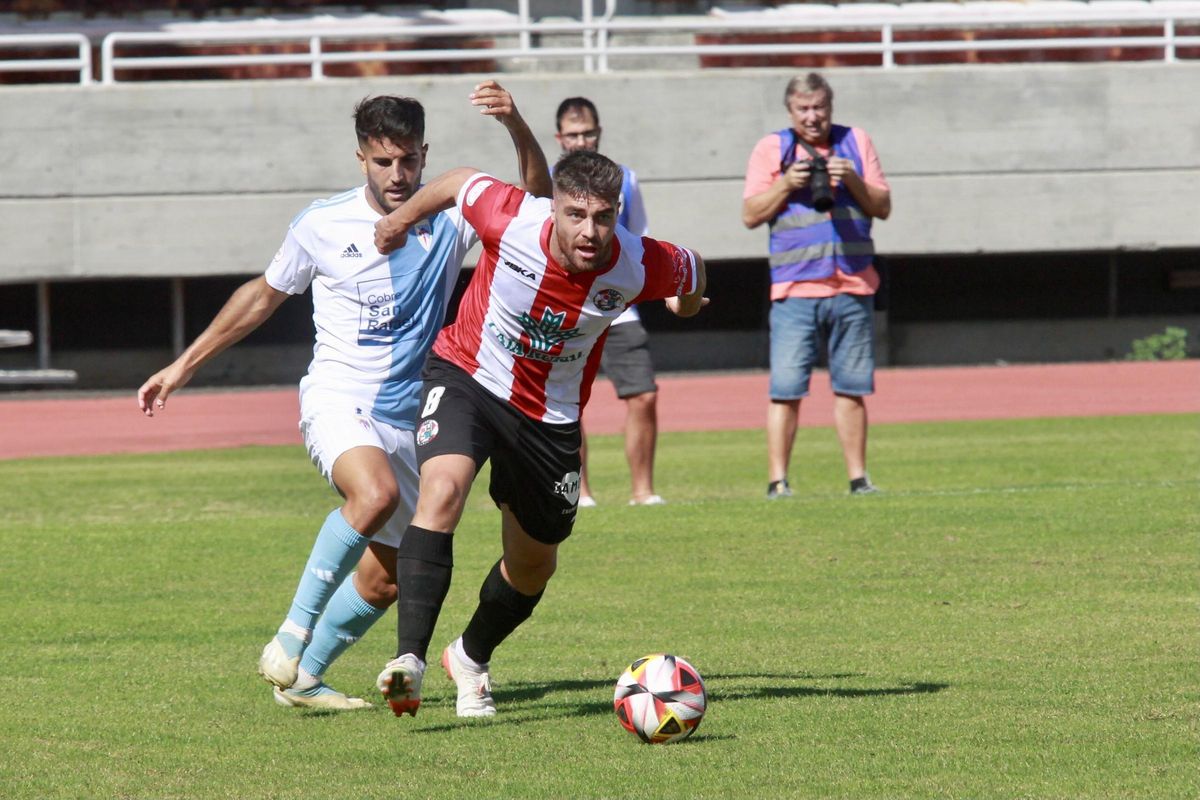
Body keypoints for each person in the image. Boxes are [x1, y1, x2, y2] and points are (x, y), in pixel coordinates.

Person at [136, 82, 550, 710]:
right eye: (384, 161)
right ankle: (290, 636)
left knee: (385, 580)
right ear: (362, 158)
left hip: (412, 414)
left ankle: (304, 680)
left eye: (409, 159)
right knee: (374, 494)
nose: (398, 173)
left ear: (425, 154)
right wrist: (183, 364)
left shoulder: (452, 214)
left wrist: (516, 125)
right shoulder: (322, 223)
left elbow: (538, 204)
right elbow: (263, 296)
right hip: (338, 396)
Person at [370, 150, 707, 718]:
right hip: (469, 377)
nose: (590, 231)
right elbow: (456, 182)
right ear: (555, 207)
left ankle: (470, 658)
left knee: (532, 566)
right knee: (443, 489)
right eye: (576, 214)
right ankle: (410, 661)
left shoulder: (638, 262)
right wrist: (398, 220)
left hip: (549, 418)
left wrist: (688, 303)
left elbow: (694, 268)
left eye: (604, 216)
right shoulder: (511, 216)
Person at [741, 72, 891, 499]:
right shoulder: (773, 148)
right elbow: (751, 214)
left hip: (853, 284)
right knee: (786, 389)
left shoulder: (856, 141)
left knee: (852, 387)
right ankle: (777, 481)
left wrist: (853, 180)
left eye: (819, 107)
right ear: (790, 111)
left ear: (831, 107)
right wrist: (787, 183)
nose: (813, 117)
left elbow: (884, 206)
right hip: (794, 288)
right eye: (803, 109)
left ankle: (859, 479)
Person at [553, 97, 662, 507]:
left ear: (599, 133)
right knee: (564, 403)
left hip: (618, 308)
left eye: (588, 132)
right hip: (566, 309)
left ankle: (643, 491)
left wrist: (664, 288)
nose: (582, 140)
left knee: (644, 394)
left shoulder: (625, 180)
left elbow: (641, 240)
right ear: (560, 138)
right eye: (573, 134)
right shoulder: (549, 183)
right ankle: (580, 492)